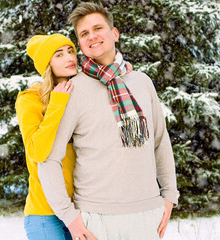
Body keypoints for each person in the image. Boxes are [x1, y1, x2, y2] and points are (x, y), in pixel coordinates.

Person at [38, 2, 179, 240]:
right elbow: (48, 158)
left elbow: (159, 142)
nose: (92, 36)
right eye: (84, 34)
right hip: (95, 219)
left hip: (148, 215)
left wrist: (168, 197)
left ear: (114, 33)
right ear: (80, 44)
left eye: (98, 28)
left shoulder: (142, 82)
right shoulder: (72, 90)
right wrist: (69, 217)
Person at [15, 33, 78, 240]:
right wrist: (57, 103)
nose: (69, 58)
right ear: (47, 65)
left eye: (71, 51)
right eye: (59, 55)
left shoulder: (80, 94)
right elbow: (37, 151)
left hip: (77, 211)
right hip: (44, 212)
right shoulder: (30, 99)